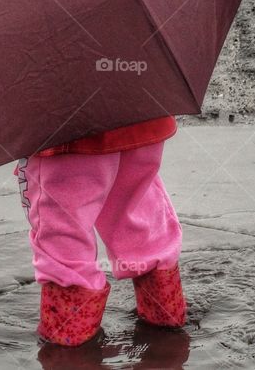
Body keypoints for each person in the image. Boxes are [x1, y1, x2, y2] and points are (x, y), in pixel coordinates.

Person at [15, 115, 187, 346]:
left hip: (65, 132)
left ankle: (68, 350)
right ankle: (167, 332)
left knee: (65, 251)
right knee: (141, 227)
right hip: (143, 113)